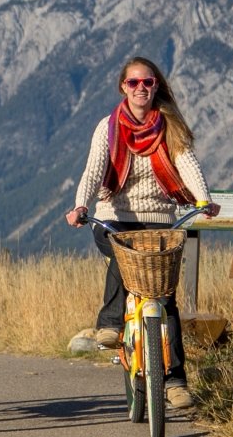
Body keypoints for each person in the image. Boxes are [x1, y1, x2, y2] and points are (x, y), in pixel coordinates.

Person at [66, 56, 217, 411]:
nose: (141, 89)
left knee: (166, 300)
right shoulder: (108, 127)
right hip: (114, 216)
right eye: (133, 83)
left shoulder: (170, 127)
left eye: (147, 83)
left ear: (156, 86)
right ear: (123, 87)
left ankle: (177, 382)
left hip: (160, 220)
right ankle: (111, 322)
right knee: (125, 251)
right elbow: (93, 171)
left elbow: (187, 164)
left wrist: (203, 200)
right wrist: (80, 206)